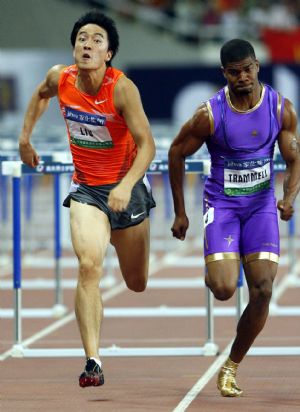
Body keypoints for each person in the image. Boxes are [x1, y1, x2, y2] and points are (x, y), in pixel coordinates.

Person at [19, 11, 156, 388]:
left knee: (137, 282)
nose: (87, 44)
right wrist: (25, 138)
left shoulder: (122, 88)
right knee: (88, 267)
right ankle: (93, 359)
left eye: (97, 39)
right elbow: (40, 95)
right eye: (82, 38)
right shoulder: (59, 78)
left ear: (109, 53)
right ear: (74, 47)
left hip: (125, 189)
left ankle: (121, 233)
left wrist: (127, 186)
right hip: (87, 192)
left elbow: (148, 145)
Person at [168, 38, 300, 397]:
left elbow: (294, 157)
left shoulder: (279, 108)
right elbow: (176, 152)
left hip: (260, 208)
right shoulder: (209, 114)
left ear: (257, 66)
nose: (242, 76)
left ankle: (231, 366)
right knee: (225, 289)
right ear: (223, 73)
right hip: (222, 207)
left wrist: (289, 197)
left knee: (263, 290)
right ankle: (218, 267)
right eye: (234, 72)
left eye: (248, 69)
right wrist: (180, 212)